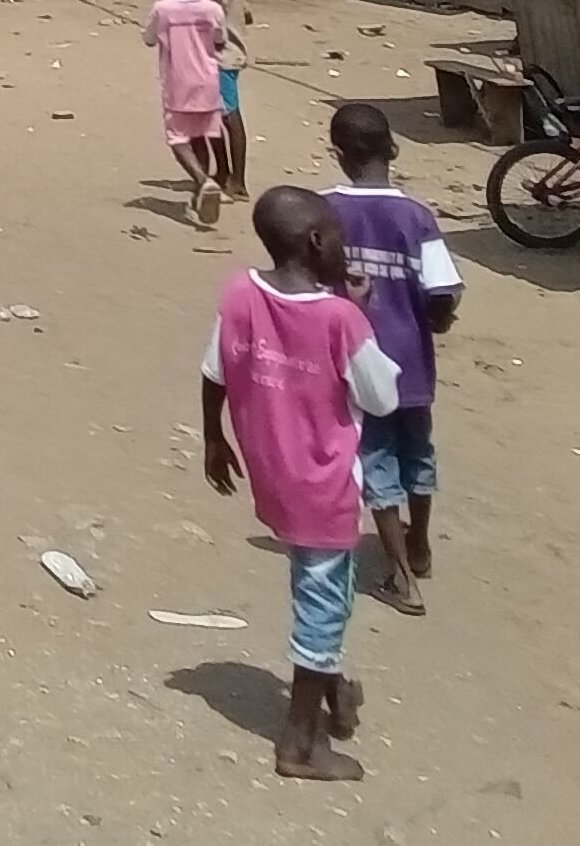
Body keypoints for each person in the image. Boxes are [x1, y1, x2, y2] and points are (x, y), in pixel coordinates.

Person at [200, 186, 405, 784]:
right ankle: (300, 743)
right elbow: (382, 398)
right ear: (316, 242)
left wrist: (213, 439)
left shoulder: (241, 293)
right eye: (339, 238)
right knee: (323, 606)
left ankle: (332, 687)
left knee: (317, 582)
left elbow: (214, 371)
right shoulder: (341, 318)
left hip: (274, 476)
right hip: (324, 486)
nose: (345, 248)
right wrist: (363, 316)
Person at [325, 102, 461, 615]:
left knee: (376, 458)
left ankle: (401, 578)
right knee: (417, 451)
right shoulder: (416, 216)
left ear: (339, 155)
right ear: (393, 150)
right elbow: (442, 291)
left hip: (356, 361)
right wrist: (436, 321)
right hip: (412, 360)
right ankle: (419, 545)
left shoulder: (325, 212)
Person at [144, 0, 233, 229]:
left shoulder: (163, 9)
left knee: (179, 139)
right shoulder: (212, 9)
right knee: (203, 134)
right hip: (208, 81)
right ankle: (201, 193)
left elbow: (149, 39)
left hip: (177, 83)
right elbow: (220, 40)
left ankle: (203, 180)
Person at [195, 0, 255, 201]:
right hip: (231, 55)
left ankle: (237, 181)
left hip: (217, 59)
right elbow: (247, 15)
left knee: (228, 116)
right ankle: (223, 173)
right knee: (217, 116)